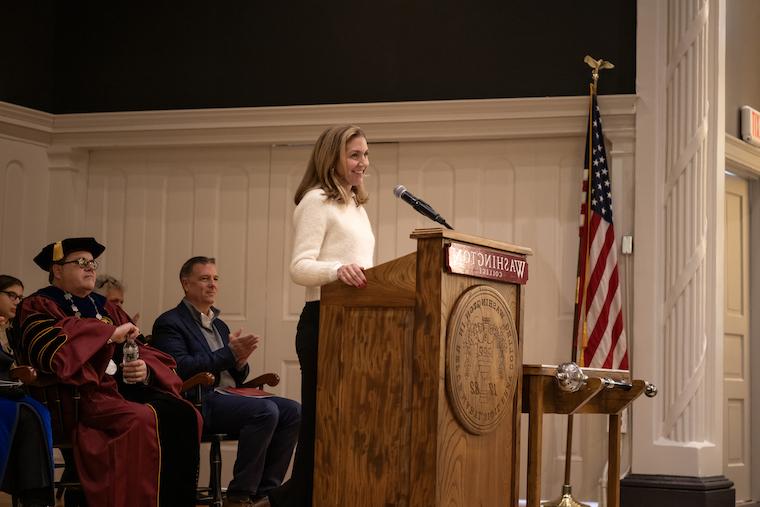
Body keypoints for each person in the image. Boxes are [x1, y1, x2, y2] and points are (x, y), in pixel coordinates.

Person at [14, 237, 202, 507]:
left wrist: (145, 369)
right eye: (81, 263)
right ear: (57, 270)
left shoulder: (106, 307)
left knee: (186, 413)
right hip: (79, 397)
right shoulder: (38, 305)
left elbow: (139, 346)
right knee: (139, 419)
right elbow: (50, 351)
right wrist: (108, 334)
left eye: (92, 263)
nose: (90, 268)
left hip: (118, 392)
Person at [270, 125, 375, 507]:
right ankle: (296, 501)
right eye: (354, 155)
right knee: (322, 424)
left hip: (357, 325)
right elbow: (300, 268)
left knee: (350, 423)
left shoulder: (357, 206)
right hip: (324, 322)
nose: (363, 163)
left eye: (365, 154)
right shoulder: (316, 200)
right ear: (331, 157)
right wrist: (336, 270)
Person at [152, 256, 301, 507]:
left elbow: (234, 372)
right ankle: (240, 495)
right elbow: (181, 369)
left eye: (215, 279)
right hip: (200, 399)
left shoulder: (219, 325)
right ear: (186, 284)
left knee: (294, 411)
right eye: (204, 279)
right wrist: (229, 354)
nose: (213, 285)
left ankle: (266, 494)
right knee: (265, 410)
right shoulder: (170, 323)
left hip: (231, 395)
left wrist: (240, 361)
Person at [0, 275, 55, 507]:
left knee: (39, 412)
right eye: (11, 295)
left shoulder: (13, 329)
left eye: (20, 297)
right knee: (26, 414)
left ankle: (37, 495)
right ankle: (32, 495)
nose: (17, 302)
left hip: (12, 393)